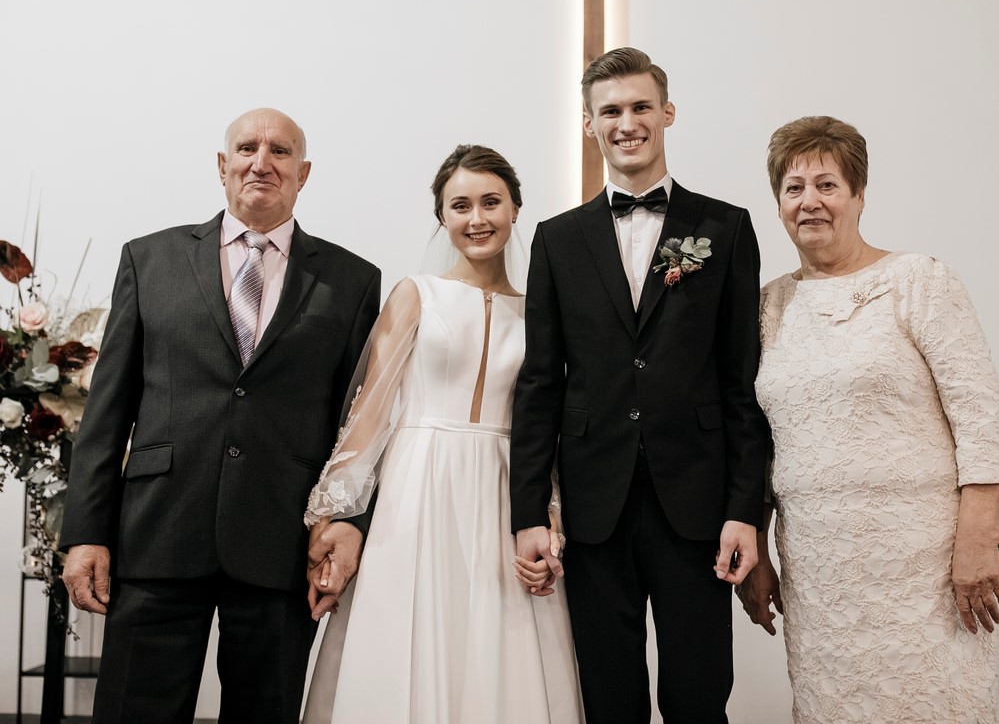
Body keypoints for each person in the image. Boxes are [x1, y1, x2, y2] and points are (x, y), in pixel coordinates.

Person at [58, 108, 382, 724]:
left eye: (281, 151)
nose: (262, 162)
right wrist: (85, 532)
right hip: (157, 531)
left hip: (282, 539)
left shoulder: (353, 280)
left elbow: (357, 427)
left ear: (303, 173)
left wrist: (348, 523)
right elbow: (107, 411)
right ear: (222, 164)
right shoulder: (148, 259)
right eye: (247, 147)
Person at [510, 47, 770, 724]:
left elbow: (742, 381)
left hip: (698, 502)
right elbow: (540, 383)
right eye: (610, 111)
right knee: (608, 697)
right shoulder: (556, 240)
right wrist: (529, 513)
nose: (627, 123)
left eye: (640, 107)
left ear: (667, 112)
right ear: (589, 124)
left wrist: (745, 509)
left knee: (698, 695)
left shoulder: (724, 228)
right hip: (595, 503)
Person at [740, 115, 999, 722]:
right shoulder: (768, 305)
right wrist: (757, 544)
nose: (809, 201)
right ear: (778, 203)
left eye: (827, 185)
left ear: (859, 195)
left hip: (925, 564)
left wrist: (979, 542)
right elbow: (756, 441)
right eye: (793, 188)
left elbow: (980, 416)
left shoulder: (919, 281)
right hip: (819, 571)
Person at [301, 144, 583, 724]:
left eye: (491, 202)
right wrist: (333, 515)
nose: (477, 218)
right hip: (415, 490)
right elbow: (370, 414)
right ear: (442, 216)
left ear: (515, 208)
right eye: (461, 205)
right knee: (408, 629)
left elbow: (543, 426)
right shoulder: (415, 294)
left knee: (496, 643)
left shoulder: (539, 312)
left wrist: (549, 512)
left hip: (502, 492)